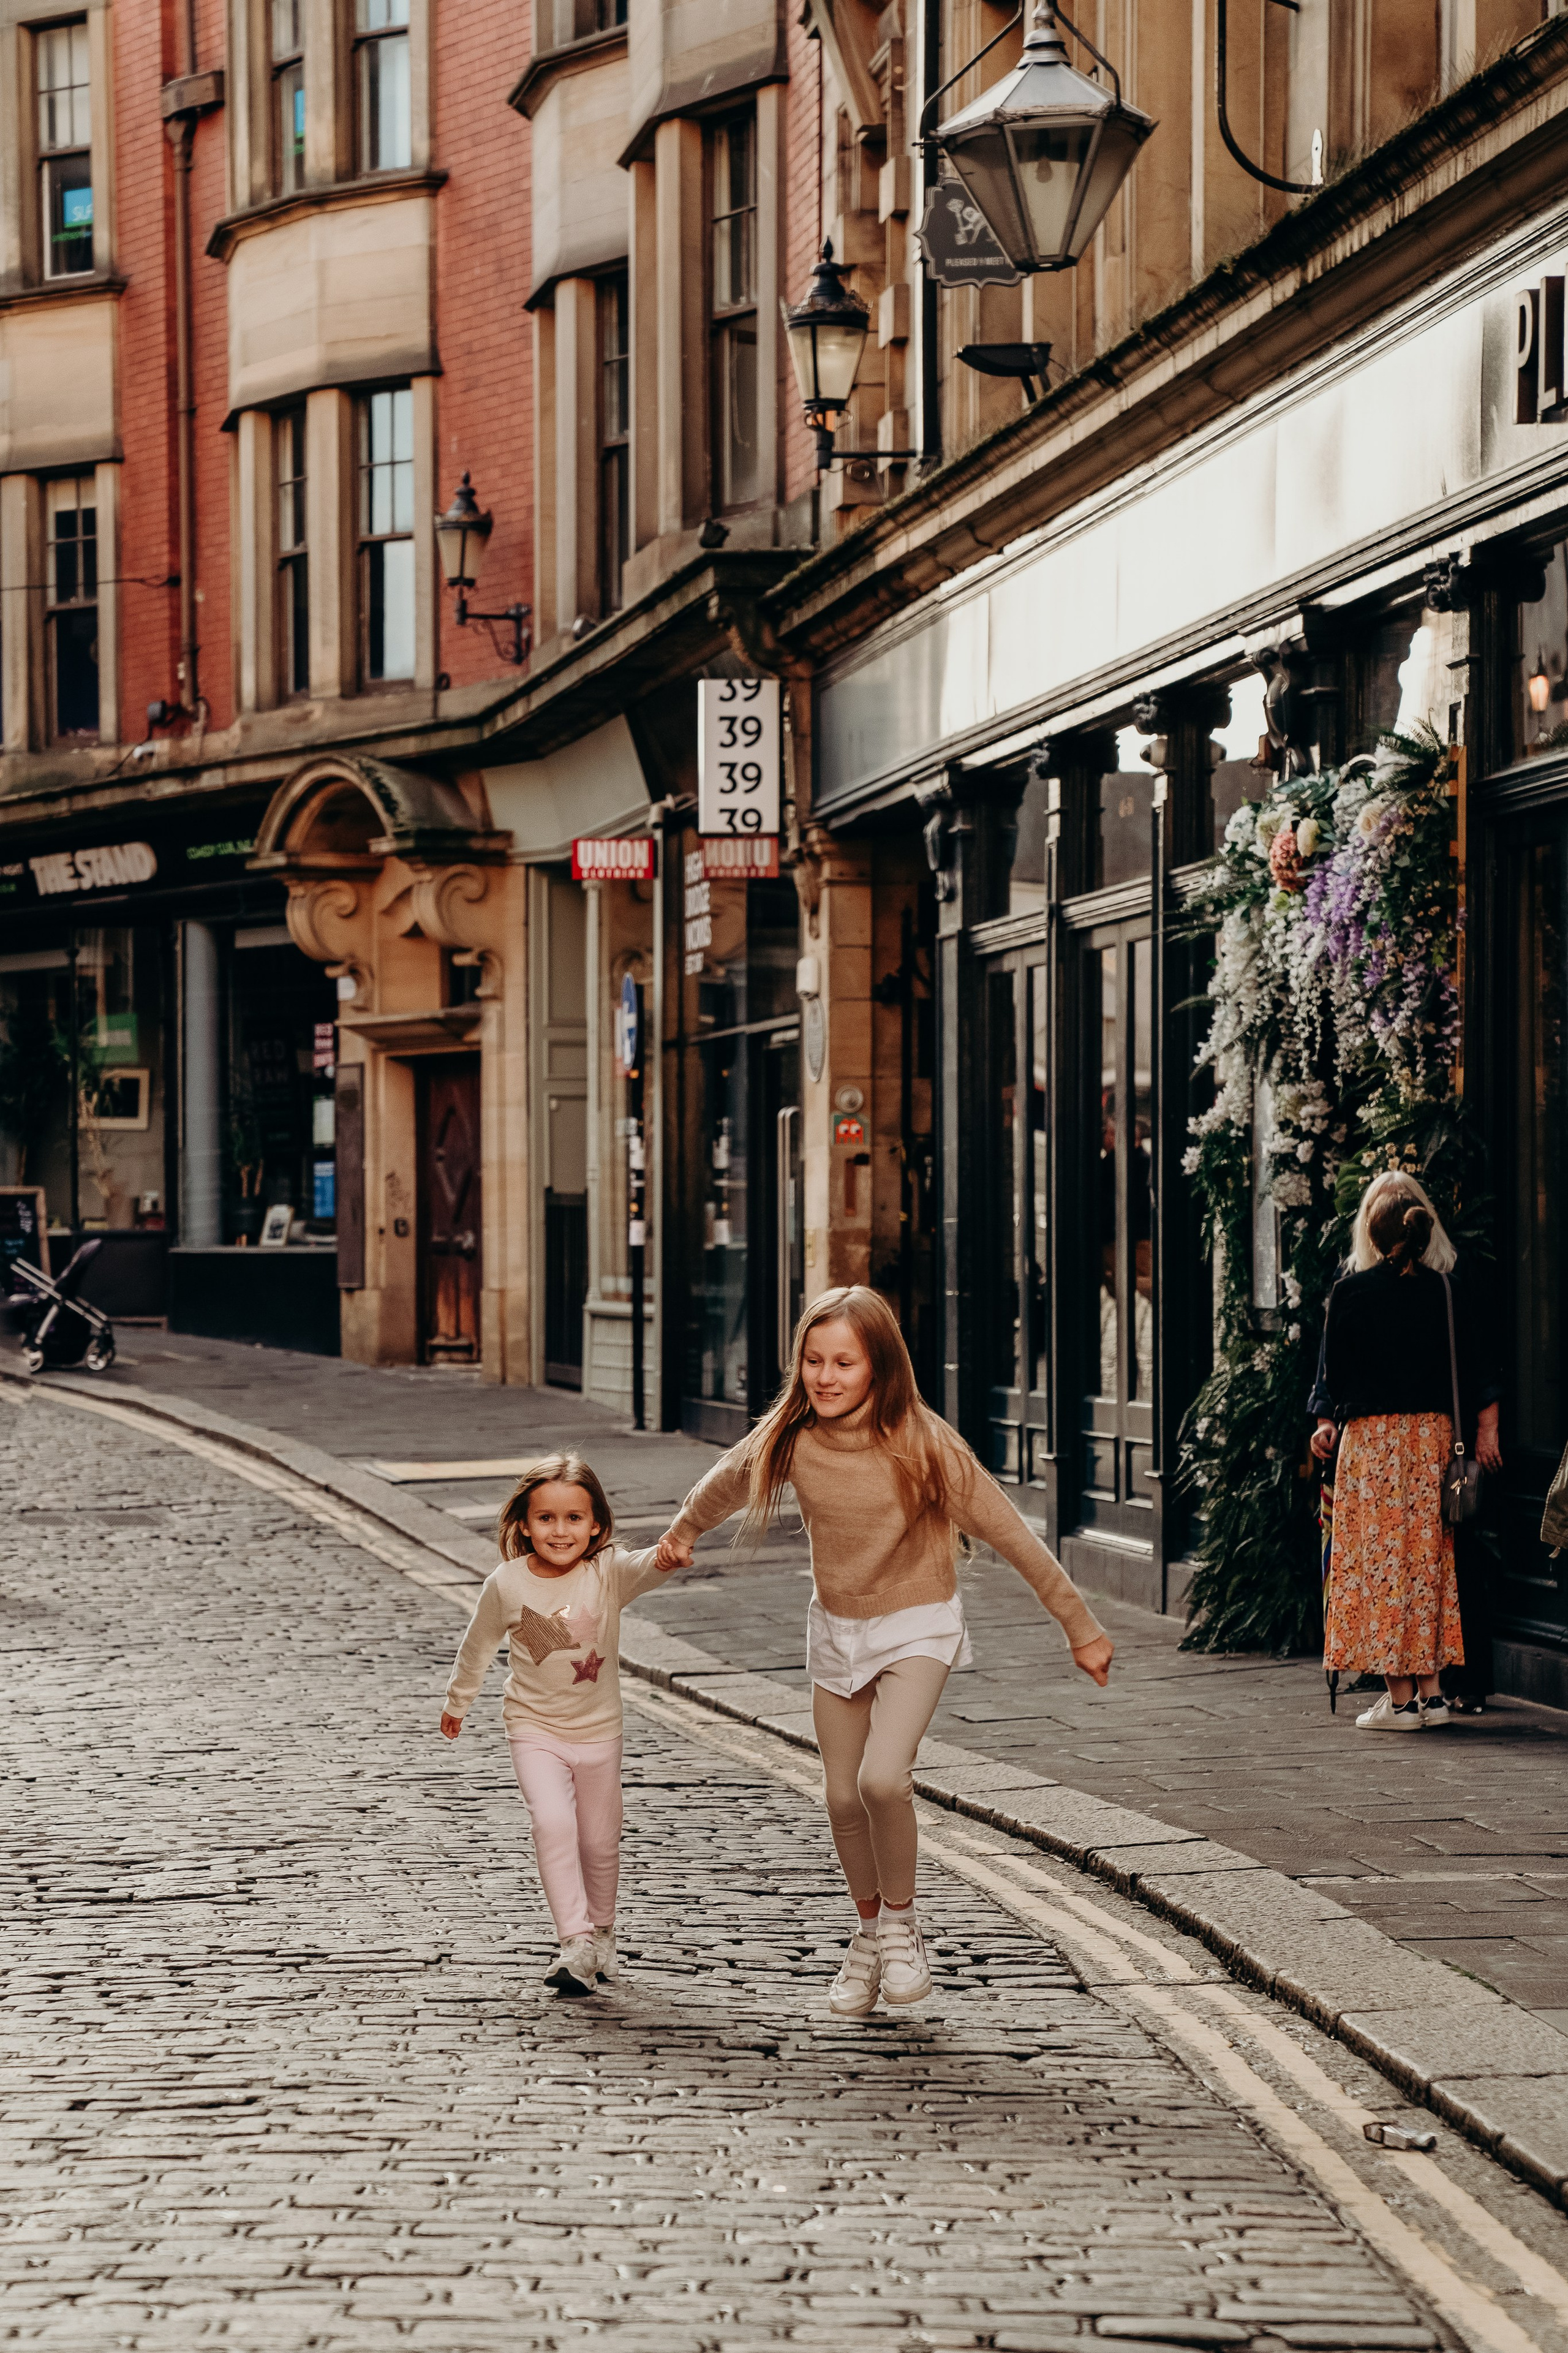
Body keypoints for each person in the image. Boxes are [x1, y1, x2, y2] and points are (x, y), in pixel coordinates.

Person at [654, 1285, 1114, 2016]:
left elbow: (1011, 1535)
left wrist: (1079, 1626)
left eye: (844, 1362)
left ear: (880, 1368)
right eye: (813, 1360)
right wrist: (681, 1533)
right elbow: (724, 1484)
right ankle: (867, 1934)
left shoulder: (923, 1443)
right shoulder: (790, 1436)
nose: (825, 1377)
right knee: (839, 1796)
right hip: (836, 1627)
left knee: (881, 1781)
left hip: (917, 1623)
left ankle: (901, 1925)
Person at [441, 1453, 676, 1996]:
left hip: (600, 1732)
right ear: (524, 1523)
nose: (560, 1530)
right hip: (533, 1727)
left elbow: (649, 1565)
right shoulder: (507, 1583)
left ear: (596, 1524)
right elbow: (477, 1647)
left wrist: (673, 1549)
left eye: (574, 1518)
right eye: (546, 1518)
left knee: (599, 1840)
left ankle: (602, 1930)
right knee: (551, 1821)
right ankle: (574, 1940)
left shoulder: (607, 1572)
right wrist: (459, 1700)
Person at [1311, 1174, 1501, 1731]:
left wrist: (1330, 1418)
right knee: (1428, 1562)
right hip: (1431, 1442)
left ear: (1371, 1232)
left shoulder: (1350, 1293)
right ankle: (1434, 1696)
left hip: (1373, 1445)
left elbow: (1336, 1377)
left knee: (1379, 1566)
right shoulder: (1447, 1290)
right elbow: (1471, 1367)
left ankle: (1398, 1703)